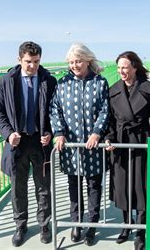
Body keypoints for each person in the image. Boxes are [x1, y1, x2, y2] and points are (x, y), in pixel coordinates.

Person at [0, 41, 57, 247]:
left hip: (40, 141)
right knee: (17, 187)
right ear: (19, 59)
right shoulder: (6, 81)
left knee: (43, 186)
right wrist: (8, 134)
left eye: (37, 62)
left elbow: (54, 111)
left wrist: (49, 132)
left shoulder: (49, 80)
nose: (33, 66)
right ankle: (20, 226)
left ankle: (44, 225)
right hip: (17, 143)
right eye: (28, 62)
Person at [50, 43, 109, 246]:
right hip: (71, 146)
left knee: (93, 186)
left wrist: (96, 133)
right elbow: (55, 109)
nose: (75, 65)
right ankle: (77, 223)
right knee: (73, 187)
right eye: (72, 62)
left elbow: (105, 110)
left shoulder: (100, 82)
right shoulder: (62, 83)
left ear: (88, 61)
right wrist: (58, 134)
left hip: (93, 146)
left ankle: (91, 226)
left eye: (79, 61)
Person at [104, 51, 150, 250]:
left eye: (125, 68)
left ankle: (140, 230)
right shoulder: (113, 90)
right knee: (122, 186)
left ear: (134, 68)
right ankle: (126, 225)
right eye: (119, 68)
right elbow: (110, 121)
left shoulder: (148, 88)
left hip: (141, 140)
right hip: (120, 142)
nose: (121, 71)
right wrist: (108, 138)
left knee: (141, 185)